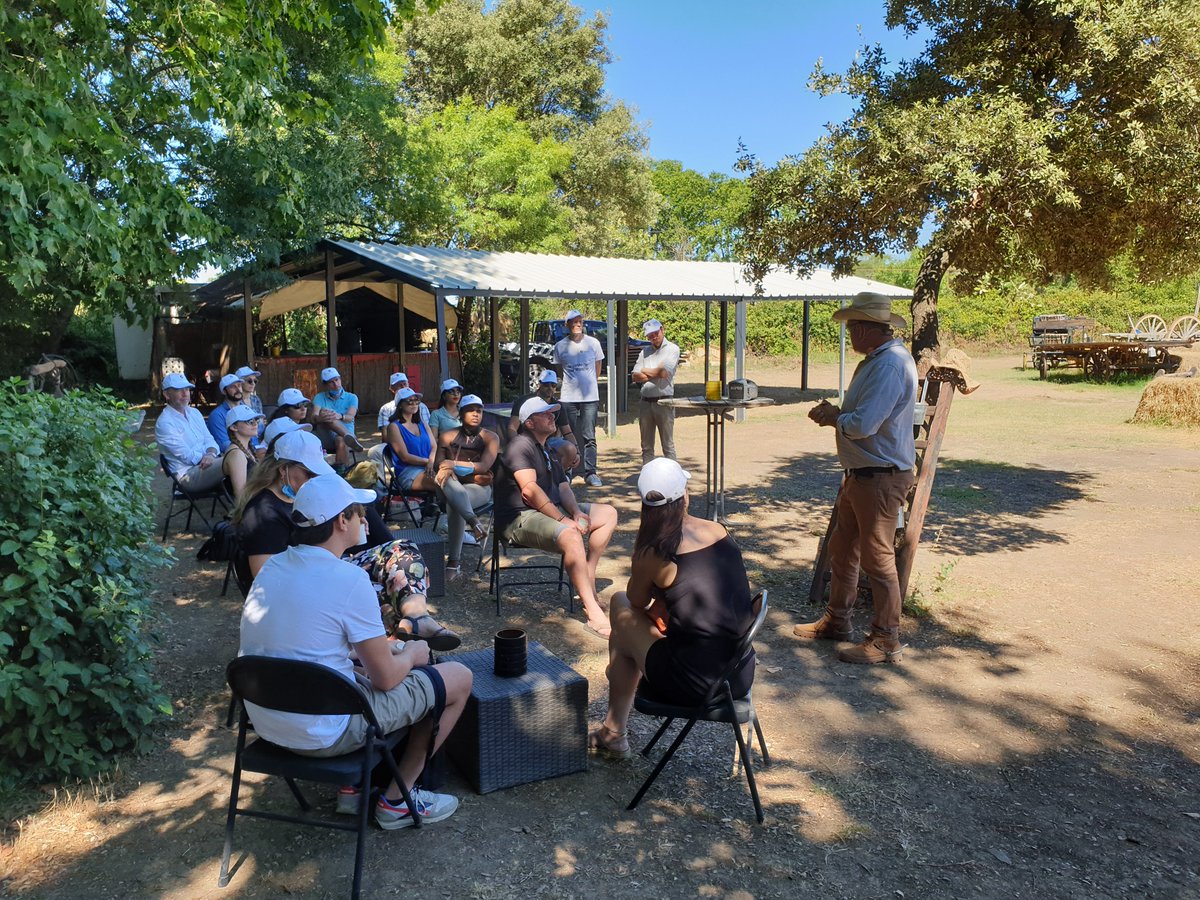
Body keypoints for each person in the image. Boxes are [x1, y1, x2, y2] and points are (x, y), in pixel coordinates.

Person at [239, 473, 471, 828]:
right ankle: (397, 799)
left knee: (383, 661)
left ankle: (358, 786)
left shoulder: (271, 569)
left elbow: (309, 650)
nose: (366, 519)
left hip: (267, 723)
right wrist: (412, 655)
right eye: (359, 512)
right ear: (340, 521)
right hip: (324, 733)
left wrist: (379, 656)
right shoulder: (349, 579)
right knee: (456, 678)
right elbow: (387, 680)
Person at [588, 458, 757, 757]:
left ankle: (614, 730)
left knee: (619, 605)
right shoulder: (718, 531)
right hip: (738, 673)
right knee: (629, 628)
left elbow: (636, 602)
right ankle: (614, 726)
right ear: (684, 495)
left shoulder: (655, 552)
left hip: (696, 683)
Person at [232, 430, 459, 650]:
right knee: (375, 591)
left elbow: (326, 539)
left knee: (403, 551)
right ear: (283, 470)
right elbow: (267, 578)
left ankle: (416, 619)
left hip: (325, 566)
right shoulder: (263, 512)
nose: (316, 479)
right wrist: (341, 553)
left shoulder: (304, 494)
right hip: (301, 587)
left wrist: (352, 525)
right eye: (310, 474)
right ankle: (395, 651)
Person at [792, 291, 917, 665]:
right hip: (864, 474)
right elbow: (862, 416)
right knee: (842, 550)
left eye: (851, 328)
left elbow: (863, 424)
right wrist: (838, 413)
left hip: (879, 475)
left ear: (864, 329)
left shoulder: (889, 365)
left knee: (877, 558)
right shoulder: (879, 361)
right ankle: (838, 621)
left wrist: (834, 417)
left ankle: (886, 639)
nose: (849, 336)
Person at [494, 396, 618, 637]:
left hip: (548, 510)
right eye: (545, 413)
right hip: (519, 517)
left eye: (552, 412)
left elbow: (562, 487)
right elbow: (529, 491)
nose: (553, 416)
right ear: (529, 423)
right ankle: (592, 612)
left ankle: (587, 576)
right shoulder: (520, 446)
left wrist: (576, 512)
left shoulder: (547, 448)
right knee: (571, 535)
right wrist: (563, 521)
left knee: (608, 513)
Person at [433, 394, 497, 579]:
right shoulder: (447, 435)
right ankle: (474, 522)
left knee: (455, 503)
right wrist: (448, 467)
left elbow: (484, 466)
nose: (476, 414)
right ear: (461, 413)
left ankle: (454, 561)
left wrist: (453, 465)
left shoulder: (490, 437)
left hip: (478, 488)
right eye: (470, 410)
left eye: (479, 410)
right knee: (446, 477)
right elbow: (439, 464)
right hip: (448, 486)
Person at [551, 310, 604, 487]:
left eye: (579, 321)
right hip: (568, 397)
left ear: (583, 323)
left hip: (590, 397)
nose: (577, 324)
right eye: (573, 322)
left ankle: (591, 472)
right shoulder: (560, 346)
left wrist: (591, 384)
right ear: (566, 325)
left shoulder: (593, 343)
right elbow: (559, 370)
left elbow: (598, 365)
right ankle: (567, 471)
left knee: (589, 435)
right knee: (569, 435)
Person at [155, 372, 224, 492]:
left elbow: (210, 440)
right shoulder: (165, 423)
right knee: (236, 458)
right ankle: (244, 506)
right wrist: (209, 456)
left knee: (240, 458)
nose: (185, 393)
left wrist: (211, 454)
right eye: (179, 390)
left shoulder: (195, 413)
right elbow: (189, 457)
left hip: (208, 464)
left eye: (187, 389)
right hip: (187, 476)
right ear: (167, 394)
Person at [507, 370, 579, 473]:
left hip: (549, 440)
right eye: (546, 385)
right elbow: (512, 427)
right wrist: (517, 445)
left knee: (570, 450)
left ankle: (558, 477)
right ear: (539, 384)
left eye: (553, 385)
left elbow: (567, 432)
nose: (550, 388)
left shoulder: (558, 405)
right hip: (527, 439)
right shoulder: (524, 401)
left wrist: (577, 452)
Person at [631, 318, 681, 463]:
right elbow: (634, 376)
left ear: (662, 330)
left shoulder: (672, 349)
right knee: (646, 447)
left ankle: (673, 480)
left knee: (668, 446)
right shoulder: (644, 351)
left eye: (655, 333)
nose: (653, 337)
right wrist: (655, 372)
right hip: (645, 402)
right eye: (650, 335)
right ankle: (647, 479)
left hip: (664, 402)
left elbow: (664, 373)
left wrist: (645, 370)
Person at [384, 387, 439, 494]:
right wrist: (428, 462)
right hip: (409, 471)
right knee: (444, 482)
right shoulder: (394, 427)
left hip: (429, 467)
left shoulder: (422, 423)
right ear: (400, 404)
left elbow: (434, 446)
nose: (414, 404)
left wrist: (431, 462)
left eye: (416, 401)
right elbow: (405, 457)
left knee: (454, 476)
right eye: (409, 401)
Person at [310, 367, 366, 467]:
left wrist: (339, 416)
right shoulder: (319, 397)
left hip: (343, 436)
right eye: (331, 382)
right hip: (326, 435)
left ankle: (340, 471)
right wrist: (321, 418)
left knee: (341, 440)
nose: (336, 385)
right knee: (326, 412)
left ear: (340, 379)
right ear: (325, 385)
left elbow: (350, 417)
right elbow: (314, 416)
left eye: (337, 380)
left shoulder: (352, 397)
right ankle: (349, 436)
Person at [222, 404, 264, 498]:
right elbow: (240, 495)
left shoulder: (248, 449)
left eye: (256, 420)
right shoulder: (236, 454)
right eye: (250, 421)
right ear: (234, 427)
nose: (255, 424)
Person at [206, 373, 247, 452]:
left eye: (239, 385)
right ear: (224, 391)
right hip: (234, 455)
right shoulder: (217, 415)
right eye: (233, 387)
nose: (238, 390)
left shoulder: (246, 409)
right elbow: (224, 444)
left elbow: (254, 438)